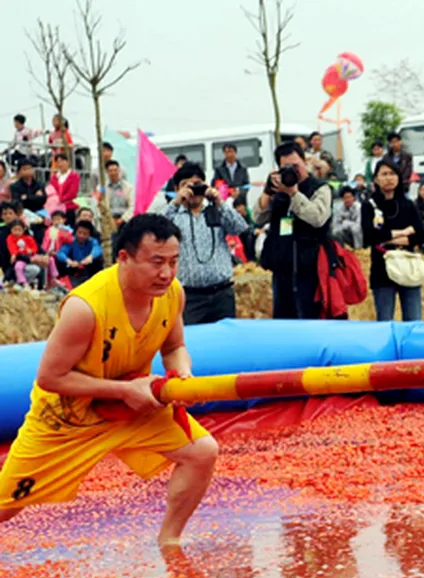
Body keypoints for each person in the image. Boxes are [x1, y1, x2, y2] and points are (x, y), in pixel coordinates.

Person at [0, 214, 220, 545]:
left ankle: (170, 541)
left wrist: (183, 376)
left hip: (134, 406)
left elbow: (174, 347)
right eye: (156, 262)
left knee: (202, 452)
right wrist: (123, 390)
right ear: (124, 258)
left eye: (174, 262)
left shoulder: (173, 293)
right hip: (66, 419)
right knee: (6, 504)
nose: (166, 273)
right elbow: (50, 377)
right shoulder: (85, 307)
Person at [162, 162, 249, 325]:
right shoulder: (174, 216)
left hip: (222, 294)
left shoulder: (216, 210)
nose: (192, 191)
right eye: (186, 186)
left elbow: (240, 227)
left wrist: (219, 201)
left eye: (196, 185)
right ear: (176, 189)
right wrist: (176, 202)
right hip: (190, 297)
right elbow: (156, 232)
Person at [257, 141, 334, 320]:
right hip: (281, 265)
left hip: (311, 267)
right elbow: (259, 218)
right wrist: (268, 191)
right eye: (286, 167)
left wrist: (294, 194)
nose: (292, 171)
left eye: (296, 165)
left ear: (305, 162)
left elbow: (317, 218)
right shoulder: (278, 188)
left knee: (309, 317)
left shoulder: (320, 188)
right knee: (283, 319)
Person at [361, 160, 424, 322]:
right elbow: (369, 236)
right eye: (384, 174)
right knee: (385, 321)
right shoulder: (369, 206)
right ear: (376, 179)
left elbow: (421, 235)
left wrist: (388, 238)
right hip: (382, 269)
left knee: (413, 321)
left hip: (408, 266)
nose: (388, 178)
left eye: (392, 174)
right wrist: (403, 233)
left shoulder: (408, 205)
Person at [56, 219, 104, 287]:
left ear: (89, 235)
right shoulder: (71, 241)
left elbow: (98, 249)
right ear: (76, 232)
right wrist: (69, 261)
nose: (81, 235)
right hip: (73, 269)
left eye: (85, 234)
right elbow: (60, 253)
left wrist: (90, 257)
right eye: (79, 232)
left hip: (88, 269)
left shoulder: (92, 241)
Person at [101, 160, 135, 230]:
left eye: (115, 170)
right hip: (109, 220)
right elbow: (101, 205)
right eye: (110, 171)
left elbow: (132, 206)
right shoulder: (102, 187)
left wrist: (123, 219)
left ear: (119, 170)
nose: (113, 173)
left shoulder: (129, 187)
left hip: (125, 220)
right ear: (107, 172)